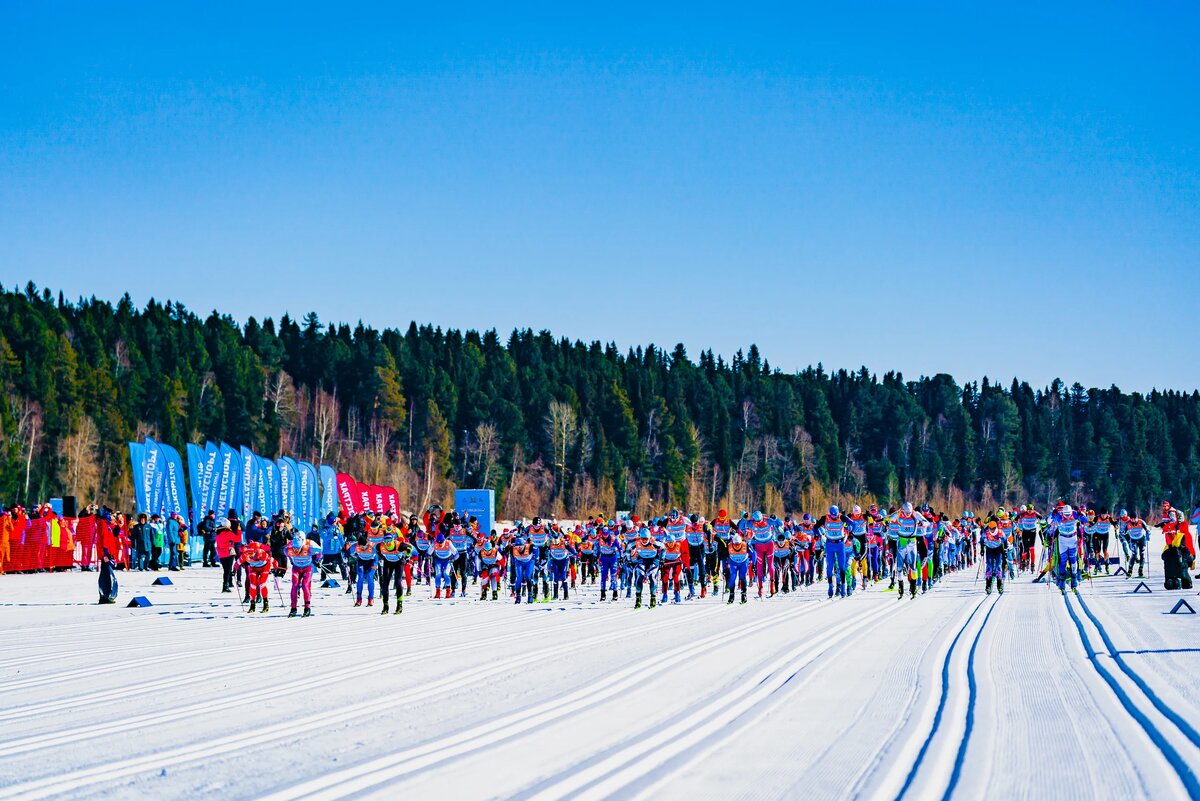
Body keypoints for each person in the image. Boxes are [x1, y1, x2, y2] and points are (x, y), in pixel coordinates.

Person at [285, 530, 321, 617]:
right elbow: (285, 551)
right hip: (296, 568)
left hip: (307, 567)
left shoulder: (310, 543)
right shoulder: (290, 545)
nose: (296, 550)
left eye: (298, 548)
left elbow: (319, 551)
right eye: (295, 549)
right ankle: (293, 608)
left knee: (305, 585)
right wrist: (291, 560)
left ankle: (307, 608)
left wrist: (316, 560)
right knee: (294, 586)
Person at [237, 538, 276, 613]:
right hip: (254, 568)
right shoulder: (245, 554)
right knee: (253, 584)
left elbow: (274, 561)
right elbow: (237, 563)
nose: (251, 556)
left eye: (253, 554)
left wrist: (274, 568)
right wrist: (234, 571)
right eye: (249, 554)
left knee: (262, 583)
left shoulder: (262, 553)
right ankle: (252, 605)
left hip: (264, 567)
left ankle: (265, 604)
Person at [378, 530, 411, 614]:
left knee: (398, 582)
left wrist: (407, 556)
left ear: (393, 540)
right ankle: (385, 606)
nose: (388, 543)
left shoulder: (399, 545)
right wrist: (381, 557)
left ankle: (399, 606)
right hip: (388, 563)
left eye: (389, 541)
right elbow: (377, 551)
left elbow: (409, 548)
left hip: (399, 563)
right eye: (386, 541)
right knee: (385, 584)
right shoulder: (380, 546)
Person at [96, 516, 119, 604]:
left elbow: (114, 535)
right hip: (107, 555)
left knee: (105, 575)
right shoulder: (104, 526)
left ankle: (104, 596)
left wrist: (117, 527)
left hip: (109, 553)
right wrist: (105, 554)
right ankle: (108, 595)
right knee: (108, 576)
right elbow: (104, 541)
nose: (114, 519)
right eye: (112, 517)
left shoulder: (108, 526)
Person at [215, 523, 240, 592]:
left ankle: (227, 584)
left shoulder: (218, 534)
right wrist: (239, 530)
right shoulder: (228, 533)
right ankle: (226, 585)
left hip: (221, 554)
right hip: (229, 552)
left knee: (226, 570)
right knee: (228, 570)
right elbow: (238, 539)